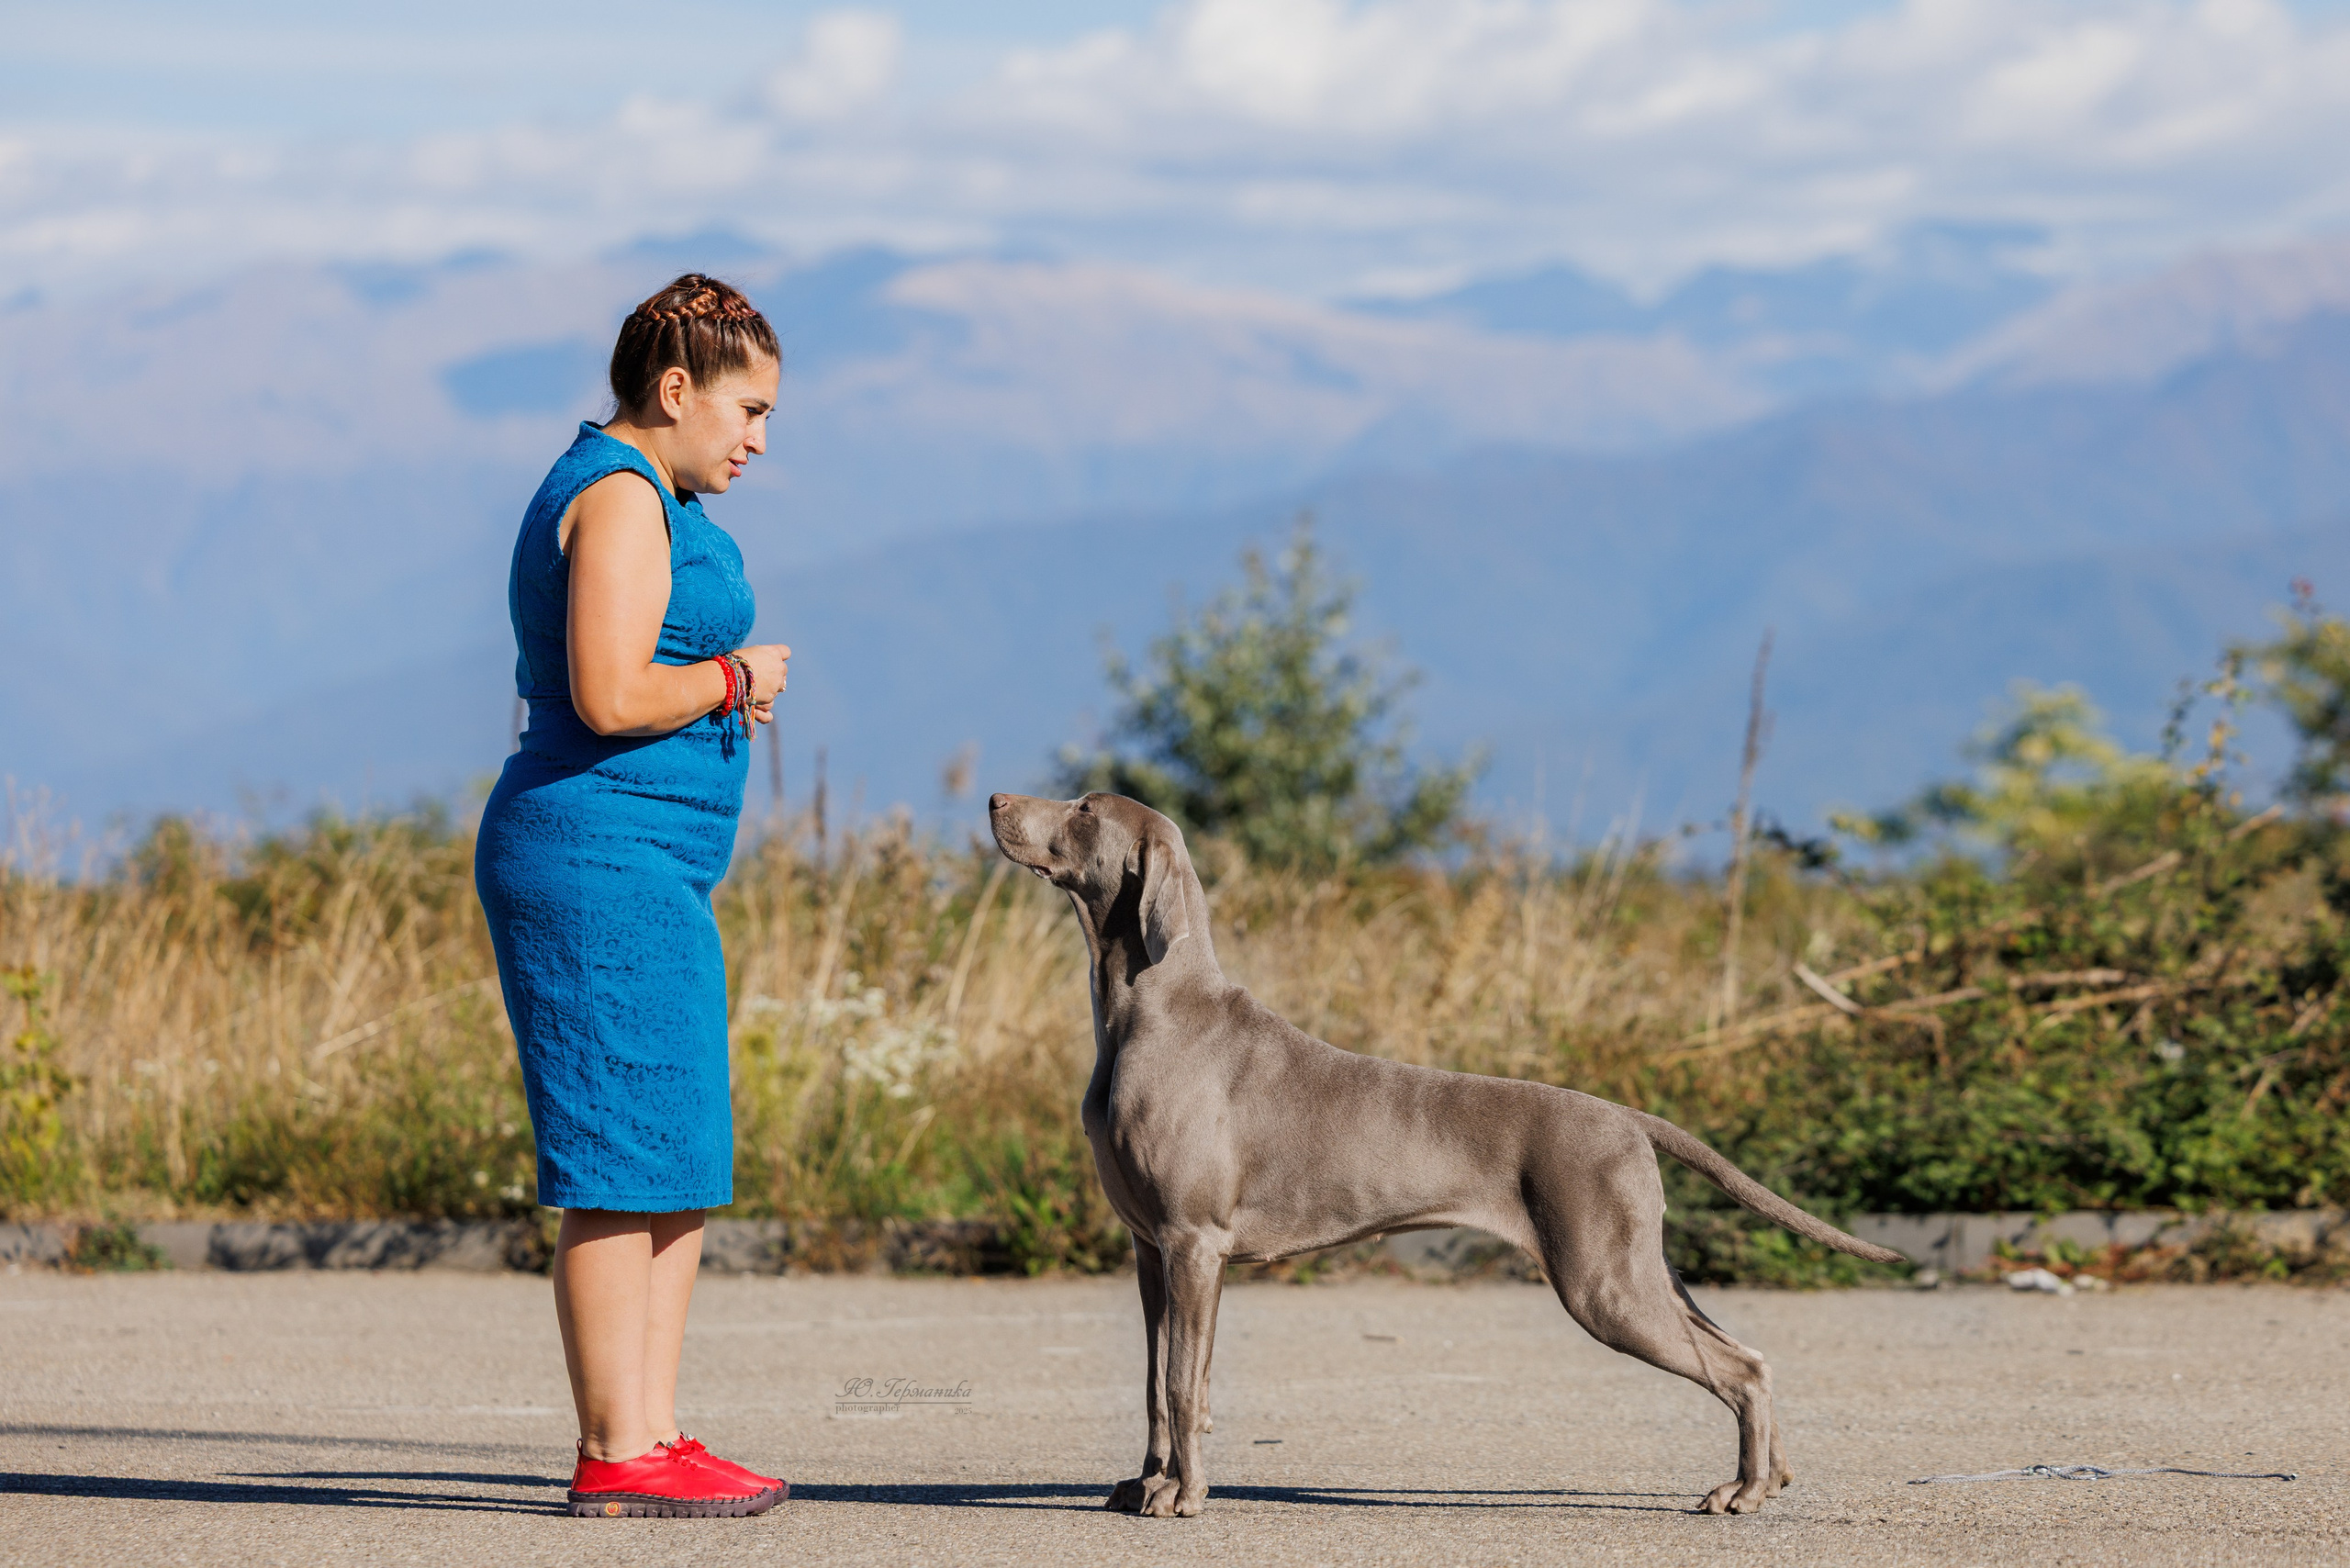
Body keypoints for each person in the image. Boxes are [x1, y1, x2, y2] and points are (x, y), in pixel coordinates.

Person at [475, 274, 793, 1520]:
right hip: (593, 866)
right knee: (617, 1155)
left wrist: (718, 683)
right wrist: (728, 678)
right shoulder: (616, 496)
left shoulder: (645, 489)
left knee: (673, 1150)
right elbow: (609, 695)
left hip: (649, 869)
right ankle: (616, 1448)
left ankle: (653, 1434)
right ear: (676, 391)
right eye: (748, 408)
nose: (757, 438)